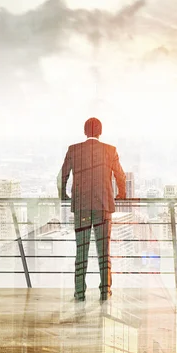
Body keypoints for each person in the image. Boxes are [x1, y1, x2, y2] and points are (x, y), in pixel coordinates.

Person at [58, 117, 126, 301]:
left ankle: (79, 292)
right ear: (100, 132)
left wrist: (63, 195)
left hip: (81, 208)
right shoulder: (110, 150)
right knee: (104, 251)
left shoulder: (74, 150)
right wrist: (121, 194)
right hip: (103, 208)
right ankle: (105, 291)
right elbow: (121, 175)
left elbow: (63, 175)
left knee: (81, 250)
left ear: (85, 131)